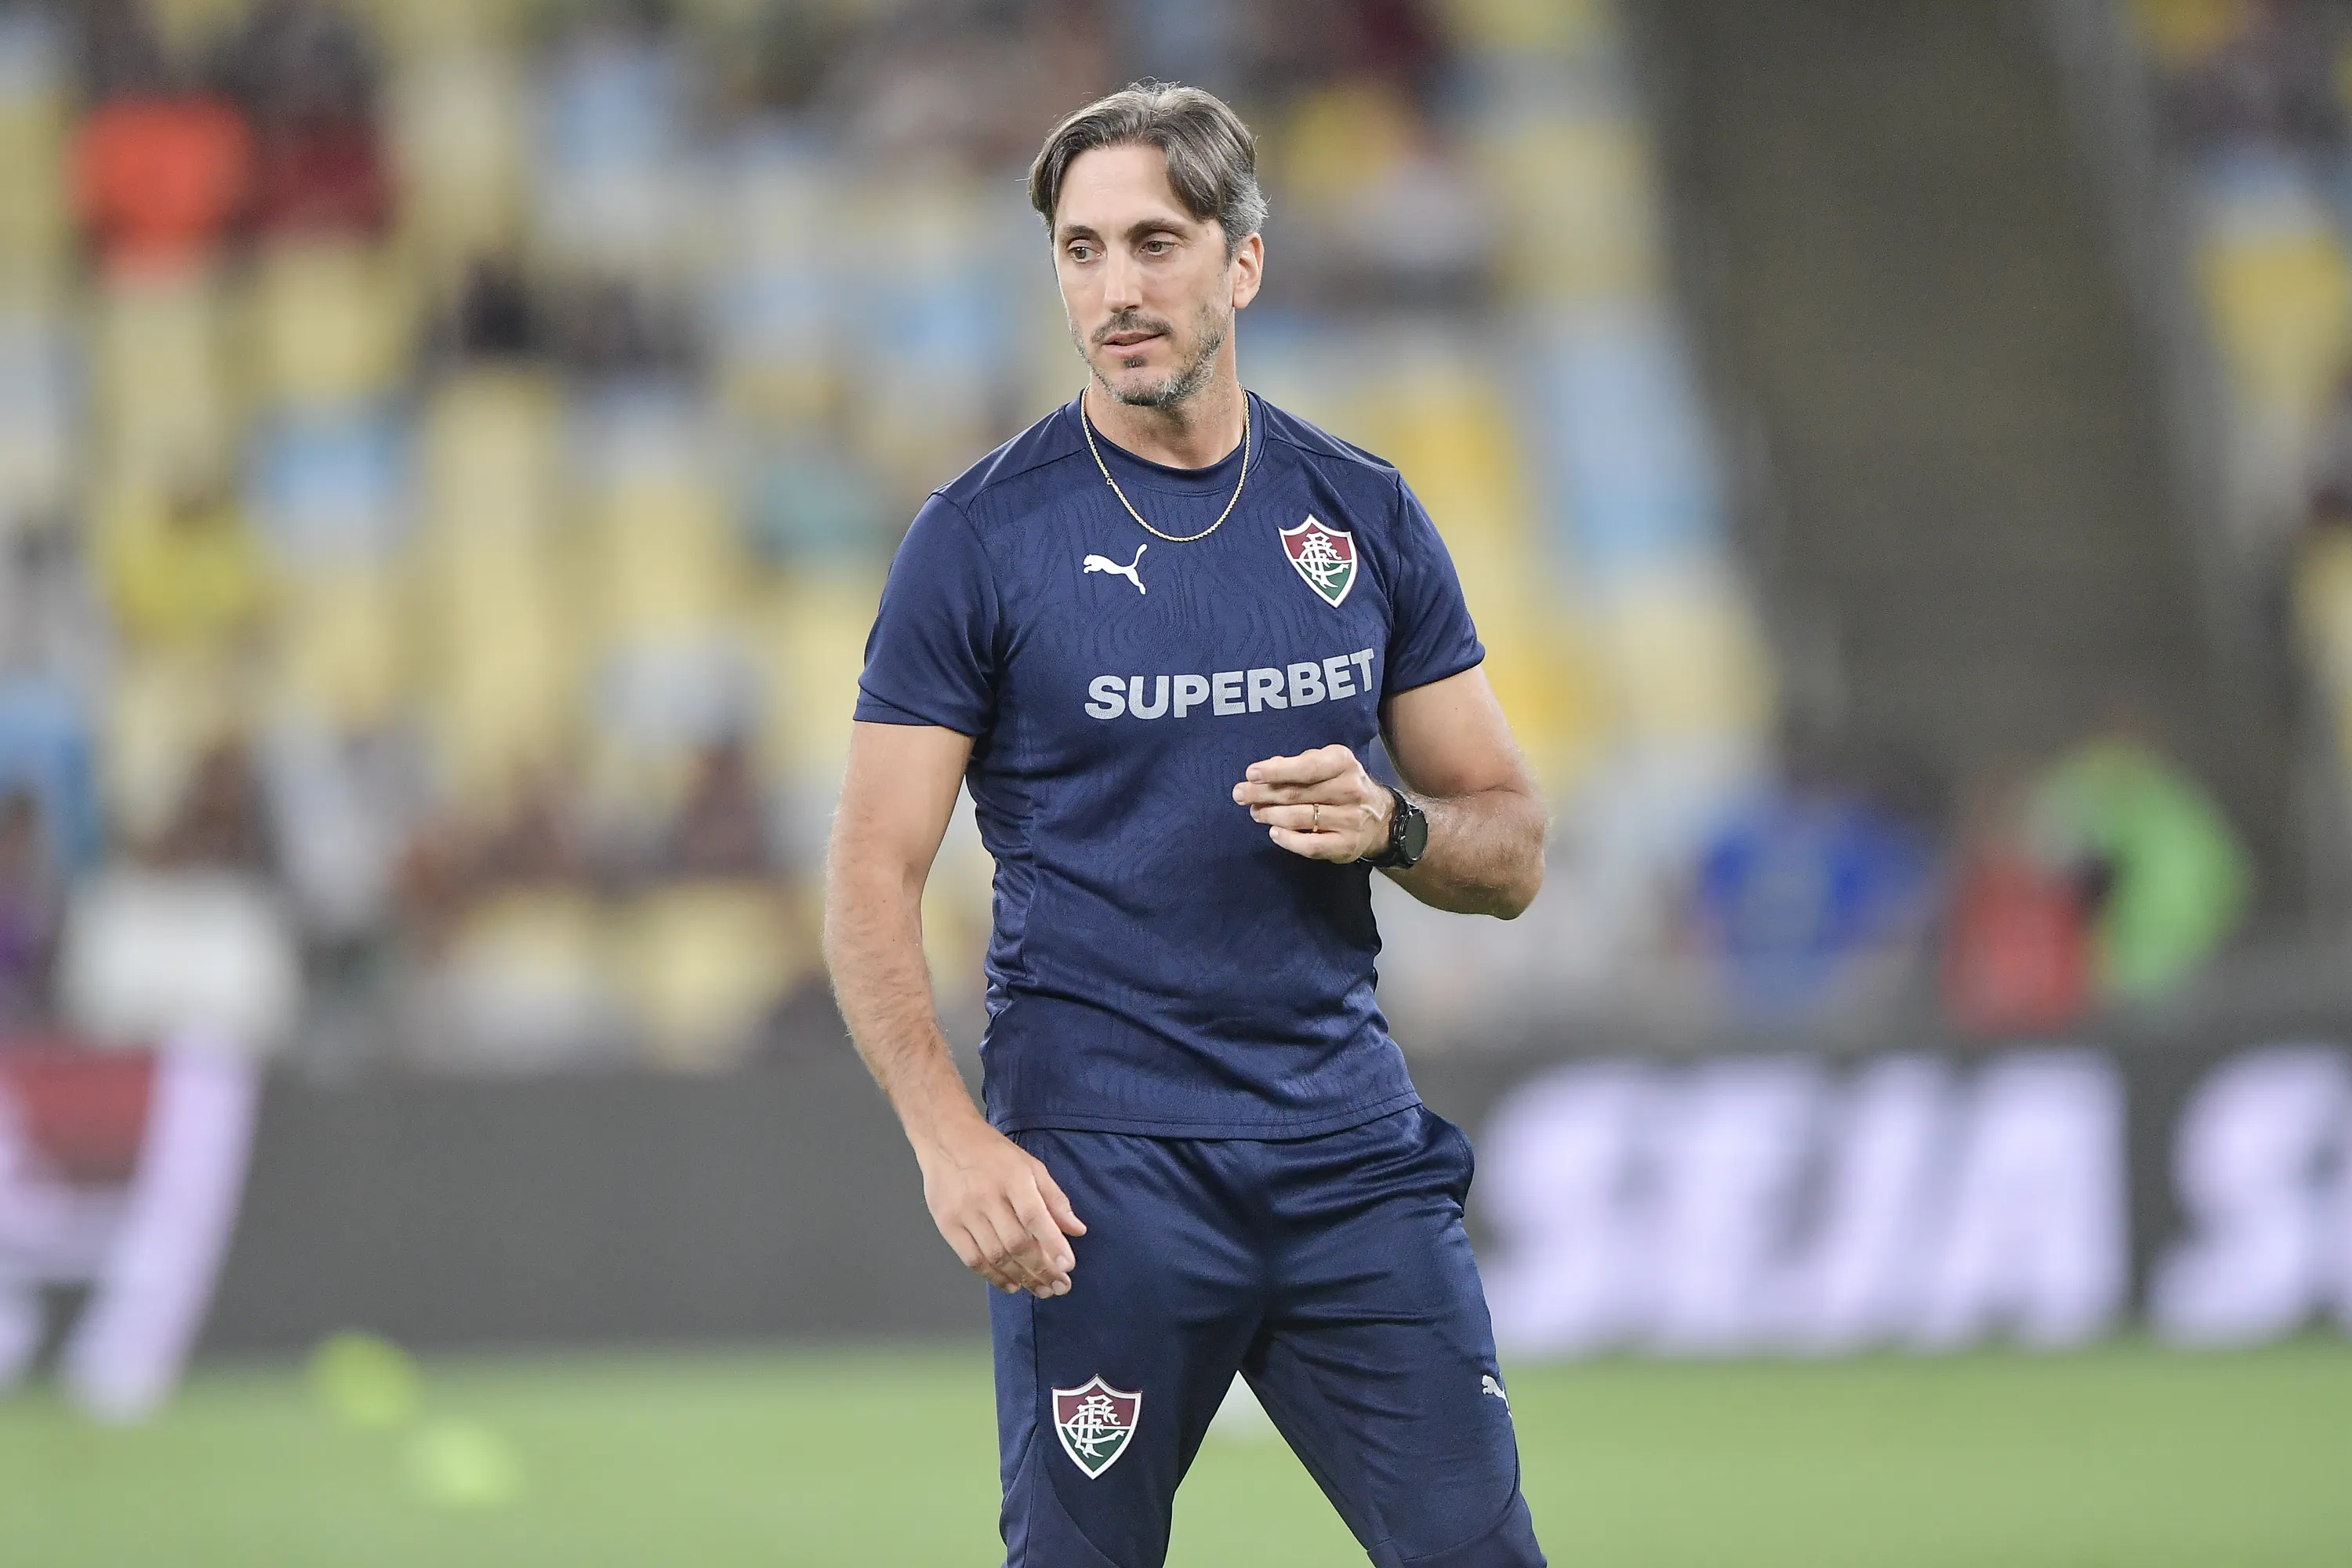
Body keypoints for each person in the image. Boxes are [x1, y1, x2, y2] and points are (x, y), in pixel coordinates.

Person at [824, 82, 1548, 1568]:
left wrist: (1395, 826)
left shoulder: (1361, 512)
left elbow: (1514, 845)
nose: (1116, 290)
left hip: (1347, 1156)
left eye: (1155, 243)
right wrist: (950, 1142)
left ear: (1244, 262)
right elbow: (869, 871)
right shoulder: (979, 538)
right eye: (1080, 251)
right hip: (1103, 1176)